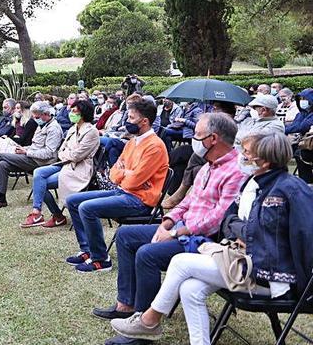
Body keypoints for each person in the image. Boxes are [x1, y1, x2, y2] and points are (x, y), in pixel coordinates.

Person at [109, 133, 313, 344]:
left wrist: (242, 230)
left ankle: (148, 321)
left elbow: (259, 233)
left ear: (266, 160)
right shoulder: (255, 182)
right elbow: (230, 220)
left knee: (180, 262)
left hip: (269, 275)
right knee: (190, 289)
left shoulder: (285, 190)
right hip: (243, 259)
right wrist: (242, 229)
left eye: (248, 153)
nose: (241, 156)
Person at [94, 113, 245, 343]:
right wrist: (167, 222)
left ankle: (144, 328)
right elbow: (187, 202)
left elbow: (219, 218)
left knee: (147, 254)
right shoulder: (208, 166)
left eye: (198, 135)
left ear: (213, 139)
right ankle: (127, 305)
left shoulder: (235, 170)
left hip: (206, 242)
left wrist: (175, 232)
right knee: (125, 235)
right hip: (184, 229)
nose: (193, 139)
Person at [64, 98, 168, 273]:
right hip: (123, 192)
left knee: (87, 208)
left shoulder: (155, 146)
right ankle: (88, 249)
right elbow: (114, 172)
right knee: (73, 201)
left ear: (145, 122)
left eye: (131, 118)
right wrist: (125, 173)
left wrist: (125, 174)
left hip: (140, 201)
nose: (127, 121)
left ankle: (101, 259)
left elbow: (134, 180)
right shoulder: (133, 142)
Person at [22, 99, 99, 228]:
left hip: (78, 168)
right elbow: (61, 151)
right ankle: (38, 212)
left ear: (83, 113)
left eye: (74, 111)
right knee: (38, 173)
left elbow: (76, 155)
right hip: (65, 163)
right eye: (71, 111)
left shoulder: (91, 132)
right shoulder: (72, 129)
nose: (71, 113)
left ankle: (55, 215)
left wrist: (66, 154)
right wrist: (66, 154)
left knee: (41, 184)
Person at [0, 101, 63, 209]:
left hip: (42, 162)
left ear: (46, 114)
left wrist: (26, 152)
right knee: (3, 164)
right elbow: (35, 145)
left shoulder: (53, 128)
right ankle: (1, 199)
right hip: (32, 156)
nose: (35, 118)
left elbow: (49, 153)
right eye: (34, 116)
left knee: (0, 156)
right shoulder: (43, 125)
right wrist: (24, 149)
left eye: (37, 116)